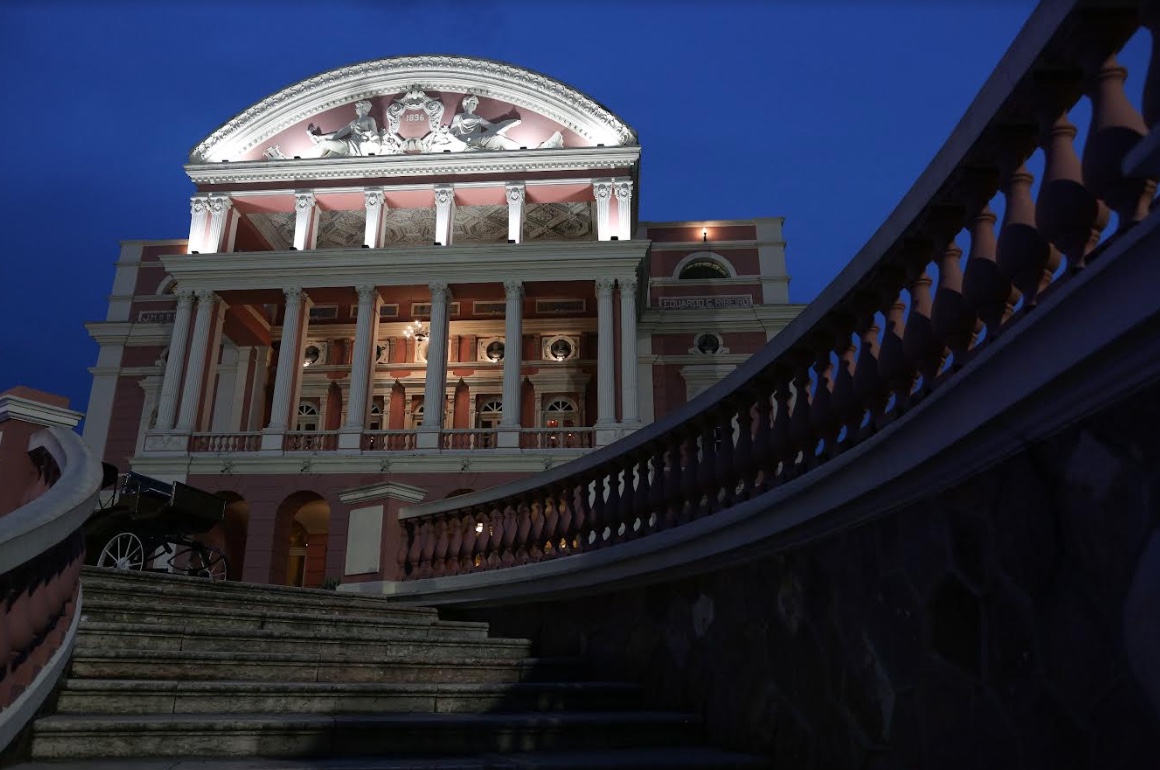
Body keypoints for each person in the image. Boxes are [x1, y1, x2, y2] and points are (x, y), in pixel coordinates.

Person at [448, 94, 521, 150]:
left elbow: (493, 127)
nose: (475, 106)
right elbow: (452, 133)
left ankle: (520, 151)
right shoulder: (459, 116)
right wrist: (462, 142)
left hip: (478, 138)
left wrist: (508, 123)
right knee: (497, 137)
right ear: (466, 103)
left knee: (499, 137)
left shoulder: (477, 118)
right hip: (469, 139)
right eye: (473, 103)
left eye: (476, 104)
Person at [307, 100, 379, 157]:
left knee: (325, 144)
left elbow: (375, 137)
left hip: (359, 147)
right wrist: (320, 137)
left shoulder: (370, 119)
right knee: (324, 143)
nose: (355, 109)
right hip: (349, 145)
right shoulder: (354, 122)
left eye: (357, 107)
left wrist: (366, 136)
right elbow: (338, 134)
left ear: (362, 107)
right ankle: (312, 164)